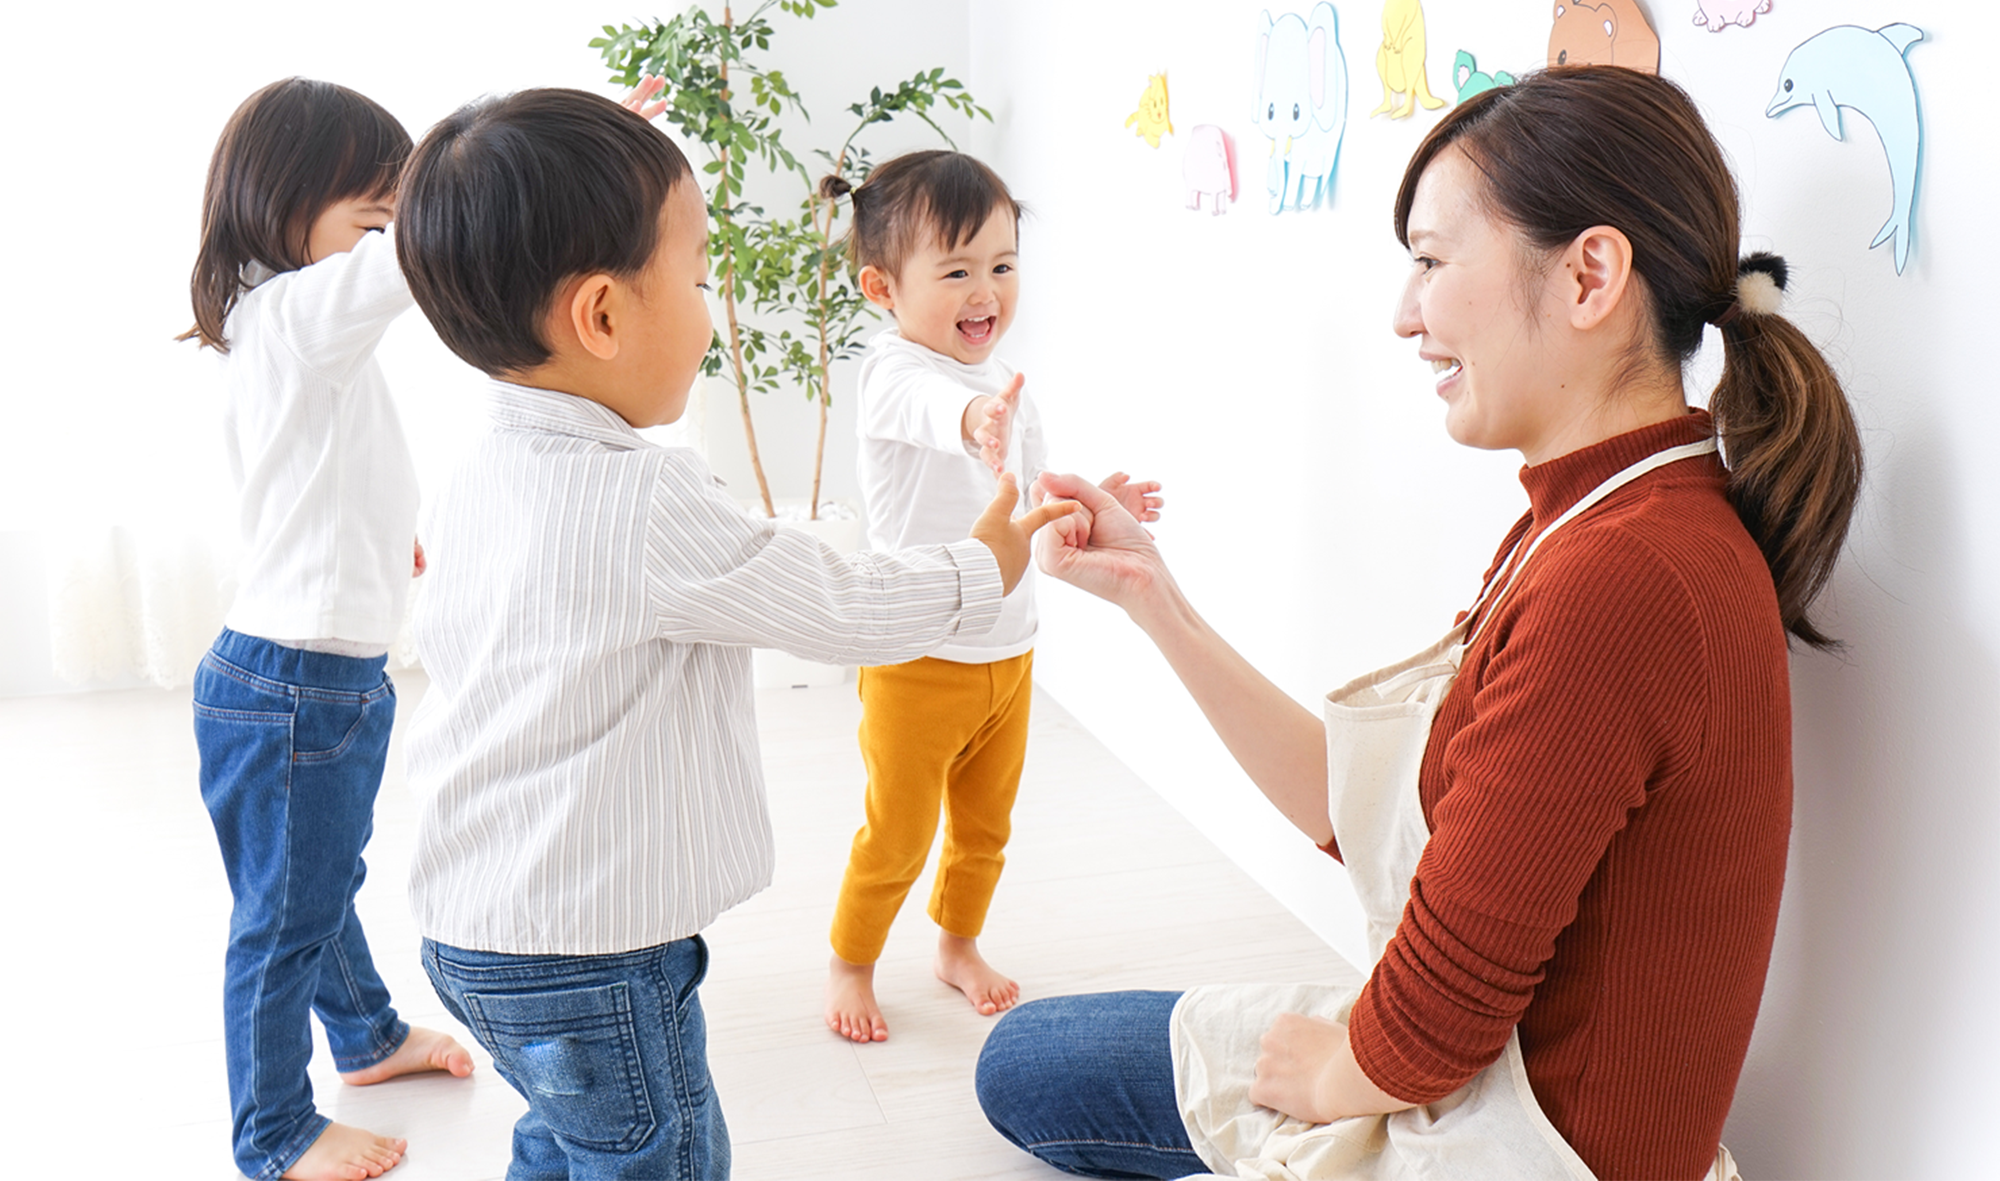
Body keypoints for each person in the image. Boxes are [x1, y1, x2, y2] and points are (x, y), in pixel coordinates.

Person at [975, 67, 1861, 1181]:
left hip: (1525, 1138)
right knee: (1031, 1059)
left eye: (1433, 262)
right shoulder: (1607, 518)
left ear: (1589, 274)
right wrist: (1151, 594)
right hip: (1491, 1075)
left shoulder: (1622, 579)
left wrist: (1328, 1078)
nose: (1405, 314)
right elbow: (1367, 813)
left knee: (1026, 1068)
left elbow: (1433, 1031)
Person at [390, 88, 1076, 1180]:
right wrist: (981, 566)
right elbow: (834, 603)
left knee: (568, 1130)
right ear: (604, 318)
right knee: (660, 1153)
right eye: (701, 275)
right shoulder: (643, 503)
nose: (714, 306)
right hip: (590, 950)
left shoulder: (478, 471)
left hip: (475, 924)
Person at [184, 78, 475, 1181]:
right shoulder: (303, 316)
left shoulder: (277, 324)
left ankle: (367, 1038)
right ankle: (273, 1134)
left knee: (311, 884)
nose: (398, 215)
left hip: (290, 674)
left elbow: (308, 479)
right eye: (379, 194)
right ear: (287, 193)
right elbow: (402, 265)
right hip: (298, 683)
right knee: (284, 919)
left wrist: (376, 534)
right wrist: (521, 151)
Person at [819, 151, 1164, 1043]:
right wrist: (977, 422)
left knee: (985, 828)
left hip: (1007, 652)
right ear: (882, 289)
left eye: (1004, 266)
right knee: (896, 833)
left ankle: (957, 945)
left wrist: (1093, 507)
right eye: (958, 270)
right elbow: (943, 415)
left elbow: (1028, 514)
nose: (987, 292)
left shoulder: (1008, 385)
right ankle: (850, 961)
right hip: (917, 657)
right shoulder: (896, 372)